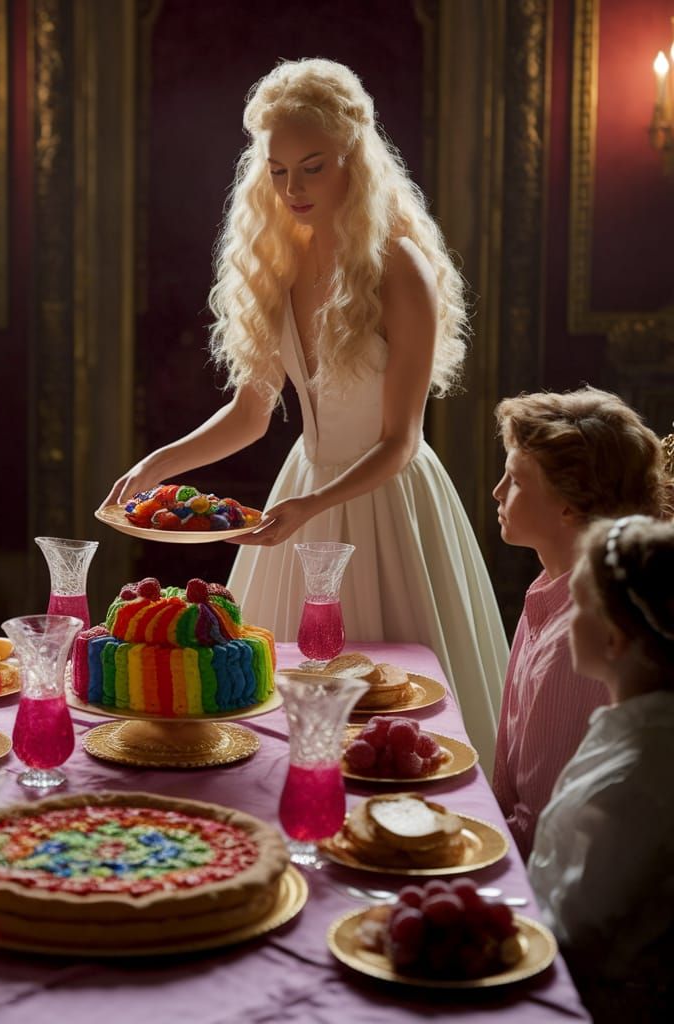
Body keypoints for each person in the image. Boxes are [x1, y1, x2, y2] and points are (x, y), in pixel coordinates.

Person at [104, 57, 507, 767]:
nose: (292, 189)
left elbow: (401, 440)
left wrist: (313, 505)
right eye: (279, 170)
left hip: (389, 501)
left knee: (392, 715)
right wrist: (156, 465)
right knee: (276, 722)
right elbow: (250, 414)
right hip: (302, 495)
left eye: (312, 168)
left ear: (354, 157)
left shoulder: (400, 267)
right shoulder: (279, 263)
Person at [491, 388, 672, 859]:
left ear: (569, 505)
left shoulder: (576, 640)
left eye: (515, 480)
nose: (497, 492)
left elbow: (537, 824)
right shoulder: (547, 589)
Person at [528, 515, 674, 1022]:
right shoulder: (633, 725)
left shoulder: (635, 784)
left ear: (613, 640)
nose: (567, 620)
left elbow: (575, 935)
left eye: (577, 606)